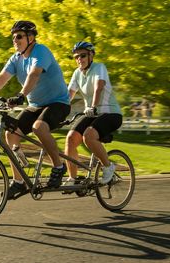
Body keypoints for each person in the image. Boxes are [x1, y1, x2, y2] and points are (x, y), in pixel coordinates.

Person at [0, 21, 71, 199]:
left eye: (19, 36)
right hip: (36, 105)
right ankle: (18, 182)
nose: (15, 40)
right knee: (10, 135)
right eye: (13, 37)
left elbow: (34, 74)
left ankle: (59, 166)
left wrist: (21, 95)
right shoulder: (16, 58)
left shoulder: (40, 51)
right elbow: (1, 78)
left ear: (31, 38)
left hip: (58, 103)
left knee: (39, 127)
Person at [64, 41, 122, 187]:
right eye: (76, 57)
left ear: (91, 55)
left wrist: (93, 106)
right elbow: (69, 94)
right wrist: (59, 109)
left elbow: (98, 87)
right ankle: (72, 179)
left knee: (88, 136)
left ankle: (108, 166)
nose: (79, 59)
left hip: (110, 112)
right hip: (92, 114)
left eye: (82, 55)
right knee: (70, 138)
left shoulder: (99, 67)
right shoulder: (77, 73)